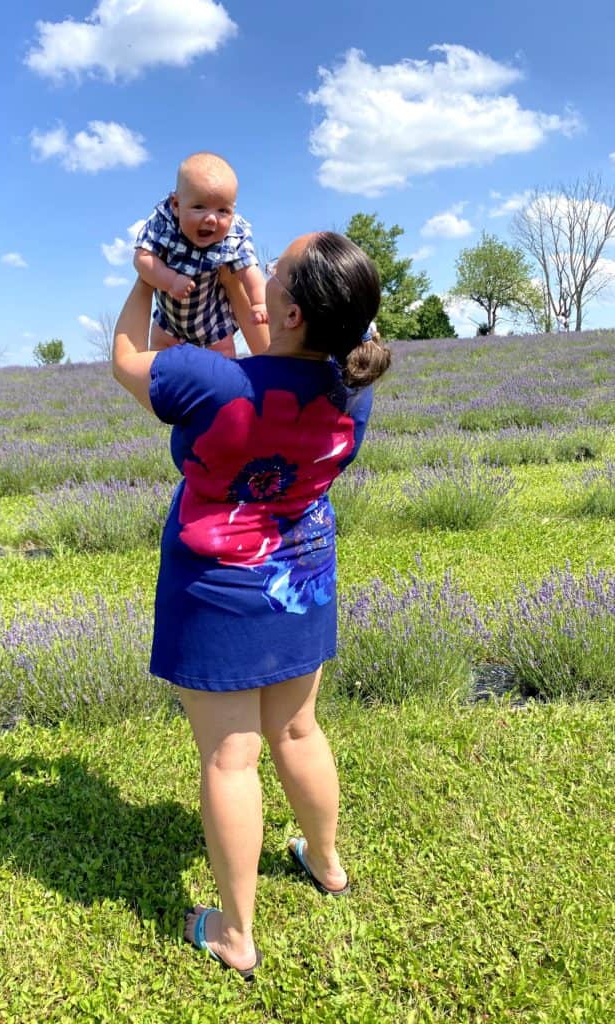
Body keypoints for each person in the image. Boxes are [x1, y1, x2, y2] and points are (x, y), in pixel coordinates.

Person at [112, 231, 391, 980]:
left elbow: (125, 361)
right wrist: (245, 281)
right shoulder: (353, 384)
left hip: (217, 590)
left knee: (230, 759)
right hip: (301, 581)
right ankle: (326, 864)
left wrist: (148, 281)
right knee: (298, 730)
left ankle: (237, 935)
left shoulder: (208, 380)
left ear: (291, 310)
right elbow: (288, 345)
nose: (258, 272)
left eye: (273, 269)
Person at [133, 152, 269, 359]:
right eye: (199, 207)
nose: (212, 219)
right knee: (158, 361)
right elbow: (142, 258)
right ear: (176, 205)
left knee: (225, 363)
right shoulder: (164, 221)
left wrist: (259, 302)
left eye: (223, 210)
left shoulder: (234, 232)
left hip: (213, 326)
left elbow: (249, 270)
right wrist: (170, 281)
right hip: (168, 323)